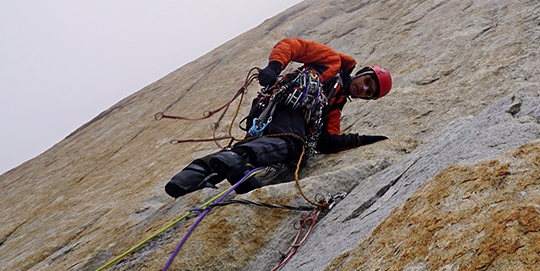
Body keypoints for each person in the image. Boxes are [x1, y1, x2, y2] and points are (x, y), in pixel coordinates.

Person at [164, 38, 391, 197]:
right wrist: (274, 67)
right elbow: (292, 45)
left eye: (369, 93)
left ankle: (191, 177)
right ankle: (230, 165)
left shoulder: (334, 106)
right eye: (368, 82)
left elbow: (326, 141)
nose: (364, 89)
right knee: (294, 145)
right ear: (362, 73)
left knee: (260, 148)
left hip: (270, 116)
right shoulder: (332, 61)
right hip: (285, 105)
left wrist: (362, 140)